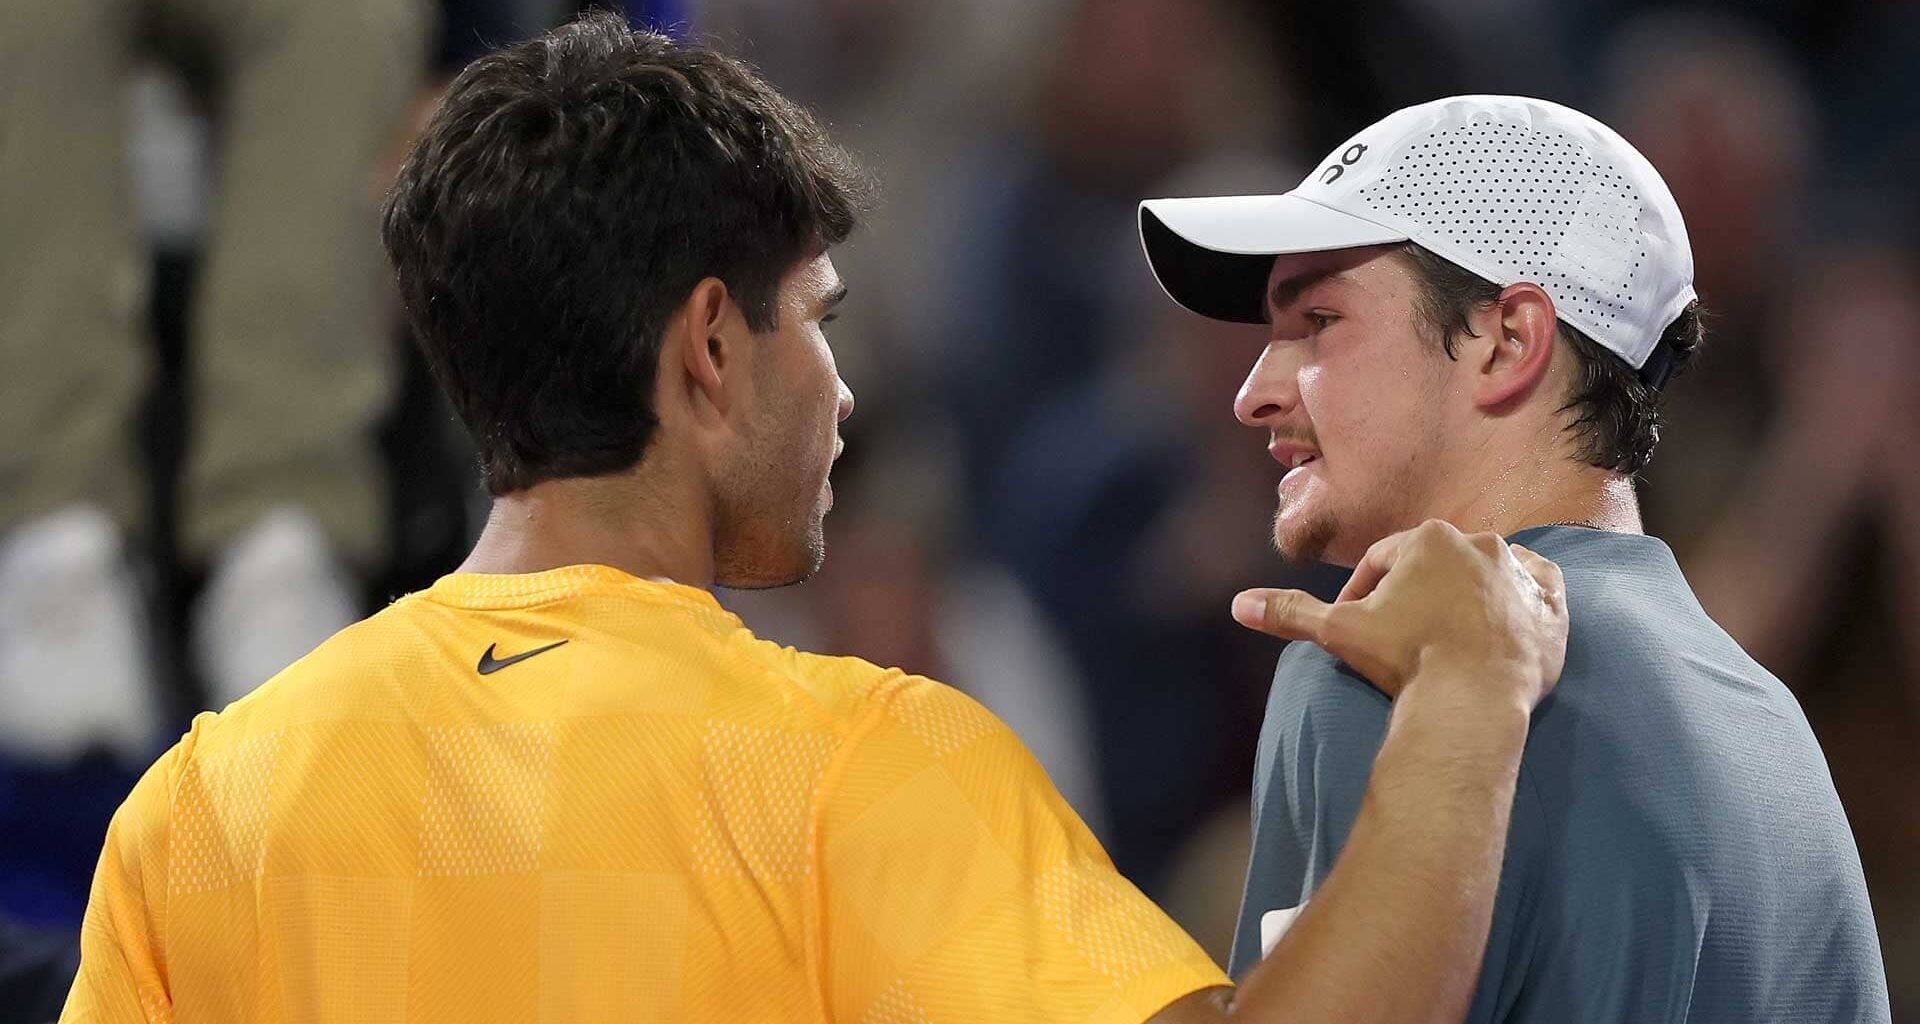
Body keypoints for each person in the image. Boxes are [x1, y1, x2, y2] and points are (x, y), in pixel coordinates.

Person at [62, 22, 1570, 1022]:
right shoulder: (849, 772)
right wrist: (1470, 702)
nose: (844, 392)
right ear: (711, 348)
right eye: (817, 323)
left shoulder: (205, 809)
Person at [1139, 94, 1892, 1022]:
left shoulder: (1383, 679)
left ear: (1507, 342)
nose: (1255, 390)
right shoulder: (1771, 729)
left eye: (1320, 321)